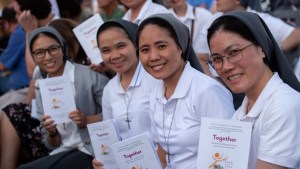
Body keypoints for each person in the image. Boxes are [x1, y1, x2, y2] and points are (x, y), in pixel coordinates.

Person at [0, 26, 109, 169]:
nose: (48, 56)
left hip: (90, 150)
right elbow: (51, 144)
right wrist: (52, 132)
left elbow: (114, 115)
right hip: (63, 151)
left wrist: (87, 119)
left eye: (53, 49)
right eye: (39, 52)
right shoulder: (42, 87)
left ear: (62, 49)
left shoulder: (89, 76)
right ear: (33, 56)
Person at [136, 13, 234, 169]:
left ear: (180, 46)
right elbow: (162, 156)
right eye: (145, 49)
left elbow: (229, 158)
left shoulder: (207, 91)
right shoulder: (156, 92)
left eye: (162, 46)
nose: (153, 57)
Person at [207, 11, 300, 169]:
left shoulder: (284, 106)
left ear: (261, 48)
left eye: (234, 52)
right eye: (217, 59)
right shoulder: (240, 114)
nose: (226, 67)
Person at [92, 18, 162, 169]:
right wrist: (103, 160)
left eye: (121, 46)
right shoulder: (109, 89)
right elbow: (109, 135)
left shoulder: (156, 79)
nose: (115, 55)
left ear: (136, 44)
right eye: (106, 50)